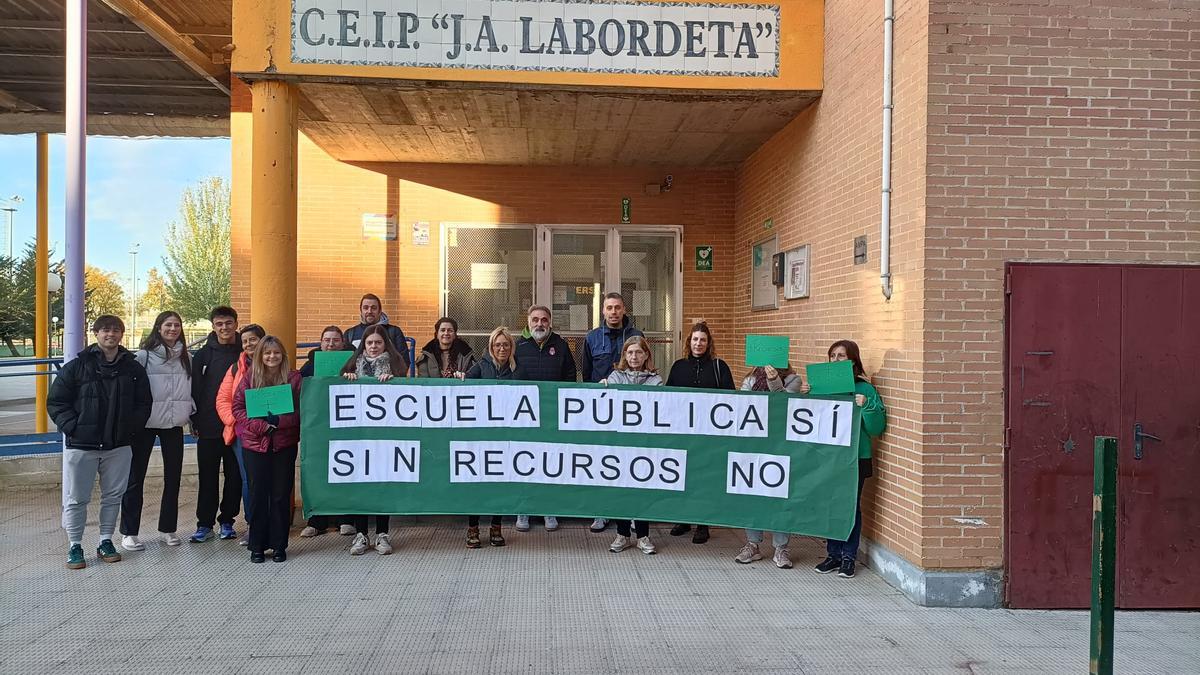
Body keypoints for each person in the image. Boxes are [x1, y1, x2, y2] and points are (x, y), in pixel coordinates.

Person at [47, 315, 151, 569]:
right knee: (76, 498)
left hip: (119, 445)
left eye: (116, 330)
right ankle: (75, 545)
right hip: (82, 446)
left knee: (113, 496)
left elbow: (144, 403)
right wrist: (74, 428)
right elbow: (57, 401)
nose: (110, 334)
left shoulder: (133, 368)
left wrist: (129, 429)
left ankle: (106, 540)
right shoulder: (78, 366)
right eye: (105, 330)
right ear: (96, 333)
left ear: (122, 335)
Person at [119, 311, 194, 551]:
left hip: (174, 424)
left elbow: (191, 389)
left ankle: (168, 528)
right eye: (168, 325)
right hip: (145, 424)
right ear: (158, 328)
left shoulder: (186, 357)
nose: (173, 329)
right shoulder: (143, 356)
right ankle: (129, 532)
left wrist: (191, 414)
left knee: (173, 478)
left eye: (177, 325)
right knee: (135, 477)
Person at [814, 339, 887, 579]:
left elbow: (877, 428)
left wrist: (866, 407)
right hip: (828, 458)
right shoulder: (821, 387)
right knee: (830, 506)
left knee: (849, 508)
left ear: (852, 360)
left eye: (841, 356)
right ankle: (833, 554)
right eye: (832, 355)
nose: (835, 360)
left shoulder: (865, 390)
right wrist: (807, 396)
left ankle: (848, 556)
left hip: (856, 458)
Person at [232, 336, 302, 563]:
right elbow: (238, 408)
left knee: (281, 495)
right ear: (260, 355)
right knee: (258, 493)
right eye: (267, 353)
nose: (272, 357)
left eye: (276, 353)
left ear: (283, 355)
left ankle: (280, 545)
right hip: (255, 445)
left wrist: (280, 423)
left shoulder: (293, 378)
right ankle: (257, 545)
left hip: (284, 443)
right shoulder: (249, 378)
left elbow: (303, 410)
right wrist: (260, 426)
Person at [340, 324, 407, 555]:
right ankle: (361, 534)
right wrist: (347, 378)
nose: (374, 346)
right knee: (361, 484)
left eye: (378, 342)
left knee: (382, 484)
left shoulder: (396, 365)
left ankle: (382, 534)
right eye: (370, 343)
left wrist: (394, 381)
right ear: (363, 346)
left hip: (385, 437)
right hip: (359, 437)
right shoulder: (351, 366)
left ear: (385, 344)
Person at [665, 322, 735, 544]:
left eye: (702, 340)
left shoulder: (719, 366)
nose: (698, 344)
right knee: (683, 476)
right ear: (689, 342)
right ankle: (684, 518)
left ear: (708, 343)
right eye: (695, 339)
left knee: (704, 479)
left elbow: (731, 398)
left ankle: (703, 523)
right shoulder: (678, 366)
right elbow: (667, 397)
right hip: (683, 433)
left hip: (709, 435)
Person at [580, 292, 644, 532]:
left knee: (630, 462)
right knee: (602, 461)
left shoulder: (637, 336)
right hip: (602, 413)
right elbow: (586, 375)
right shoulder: (593, 338)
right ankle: (602, 511)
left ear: (624, 309)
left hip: (632, 414)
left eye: (618, 307)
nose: (614, 312)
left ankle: (632, 514)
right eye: (609, 308)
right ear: (603, 311)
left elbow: (645, 367)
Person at [513, 305, 576, 532]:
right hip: (523, 416)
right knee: (525, 462)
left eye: (544, 320)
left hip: (552, 416)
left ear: (550, 322)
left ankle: (549, 509)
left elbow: (570, 376)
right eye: (535, 320)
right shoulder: (517, 345)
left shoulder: (560, 345)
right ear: (528, 322)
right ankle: (524, 509)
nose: (539, 324)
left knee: (550, 462)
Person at [734, 364, 803, 568]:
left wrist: (774, 382)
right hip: (755, 443)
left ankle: (781, 548)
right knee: (753, 494)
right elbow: (746, 405)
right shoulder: (750, 380)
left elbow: (782, 406)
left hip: (781, 445)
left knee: (780, 495)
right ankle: (753, 545)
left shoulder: (794, 380)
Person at [460, 326, 522, 548]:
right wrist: (461, 378)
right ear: (491, 347)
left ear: (511, 347)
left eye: (506, 344)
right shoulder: (481, 367)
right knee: (477, 483)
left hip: (505, 436)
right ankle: (473, 527)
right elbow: (465, 385)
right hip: (481, 436)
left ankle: (496, 527)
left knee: (499, 484)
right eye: (498, 345)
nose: (502, 348)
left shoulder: (518, 370)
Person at [601, 336, 661, 555]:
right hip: (620, 444)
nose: (634, 356)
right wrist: (601, 390)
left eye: (638, 352)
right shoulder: (615, 377)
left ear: (646, 355)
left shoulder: (656, 381)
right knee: (621, 490)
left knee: (642, 489)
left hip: (644, 444)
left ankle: (643, 536)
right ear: (624, 356)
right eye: (630, 352)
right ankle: (623, 534)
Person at [189, 306, 244, 543]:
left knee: (235, 477)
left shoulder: (245, 350)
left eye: (228, 323)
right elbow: (195, 390)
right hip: (209, 427)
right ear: (213, 326)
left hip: (238, 427)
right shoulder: (202, 356)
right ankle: (204, 524)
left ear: (236, 324)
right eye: (219, 324)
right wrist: (195, 420)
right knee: (208, 478)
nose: (224, 328)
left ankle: (228, 521)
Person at [298, 325, 354, 538]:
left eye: (336, 340)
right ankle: (316, 521)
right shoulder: (309, 367)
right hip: (318, 429)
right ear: (320, 343)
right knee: (318, 473)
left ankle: (346, 519)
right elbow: (297, 387)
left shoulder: (352, 365)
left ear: (343, 344)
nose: (331, 344)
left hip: (345, 427)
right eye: (327, 340)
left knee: (345, 471)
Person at [215, 323, 265, 545]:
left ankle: (272, 524)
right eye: (245, 341)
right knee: (249, 481)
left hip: (270, 432)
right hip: (242, 433)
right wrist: (237, 421)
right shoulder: (235, 368)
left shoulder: (275, 363)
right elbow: (223, 400)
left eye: (252, 339)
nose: (248, 344)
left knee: (271, 481)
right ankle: (254, 526)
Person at [343, 293, 408, 372]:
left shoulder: (394, 332)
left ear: (380, 310)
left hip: (387, 380)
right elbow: (346, 362)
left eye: (373, 308)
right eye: (365, 308)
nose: (369, 311)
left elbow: (404, 361)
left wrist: (392, 375)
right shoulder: (350, 334)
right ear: (361, 310)